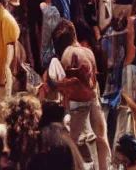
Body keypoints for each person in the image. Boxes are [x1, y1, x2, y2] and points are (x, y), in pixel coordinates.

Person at [47, 19, 111, 170]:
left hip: (77, 102)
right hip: (93, 98)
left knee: (72, 140)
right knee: (101, 136)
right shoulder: (87, 51)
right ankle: (105, 167)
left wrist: (63, 100)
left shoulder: (68, 54)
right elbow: (94, 80)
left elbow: (68, 86)